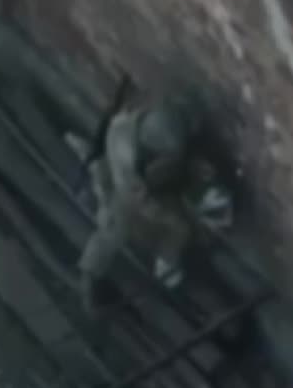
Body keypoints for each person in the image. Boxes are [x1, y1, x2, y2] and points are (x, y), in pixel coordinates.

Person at [77, 93, 222, 312]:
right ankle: (166, 271)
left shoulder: (127, 129)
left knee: (124, 223)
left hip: (127, 174)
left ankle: (166, 268)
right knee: (178, 229)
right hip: (131, 188)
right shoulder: (128, 191)